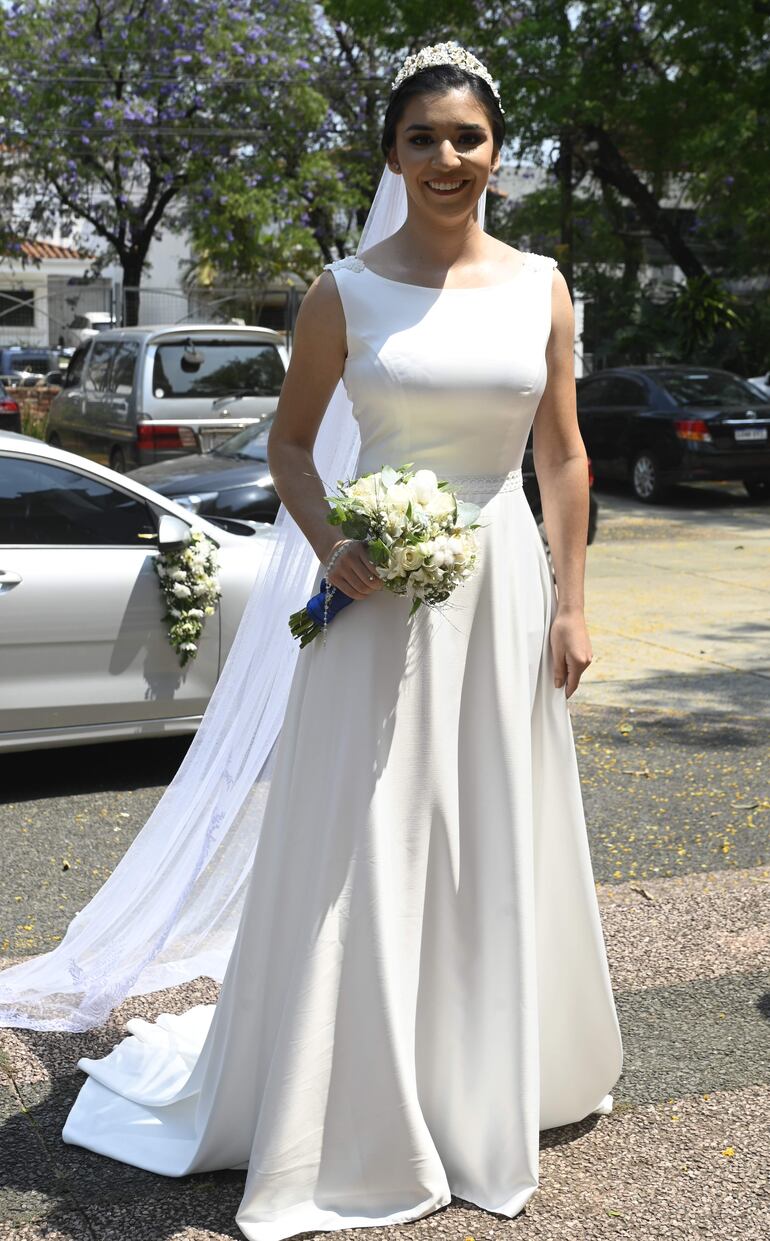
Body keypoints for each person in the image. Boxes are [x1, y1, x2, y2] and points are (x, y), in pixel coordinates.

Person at [37, 40, 623, 1241]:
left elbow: (559, 453)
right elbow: (293, 448)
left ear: (496, 151)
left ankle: (480, 1077)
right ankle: (344, 1094)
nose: (447, 159)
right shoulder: (340, 291)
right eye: (422, 139)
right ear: (391, 154)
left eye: (466, 138)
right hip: (372, 599)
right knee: (371, 830)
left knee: (485, 822)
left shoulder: (544, 286)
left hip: (501, 586)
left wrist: (571, 597)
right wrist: (328, 543)